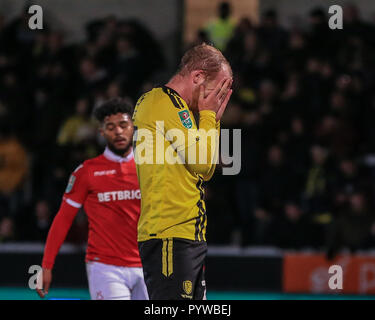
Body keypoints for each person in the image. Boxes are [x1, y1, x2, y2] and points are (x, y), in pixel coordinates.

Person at [132, 43, 233, 300]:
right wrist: (210, 117)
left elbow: (205, 170)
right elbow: (203, 164)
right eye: (215, 90)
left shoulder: (179, 109)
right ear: (197, 76)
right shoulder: (161, 102)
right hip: (169, 235)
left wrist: (214, 121)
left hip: (187, 236)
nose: (216, 99)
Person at [36, 98, 148, 300]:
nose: (119, 132)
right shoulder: (87, 172)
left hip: (149, 263)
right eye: (111, 127)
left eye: (123, 125)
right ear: (102, 133)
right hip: (105, 267)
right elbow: (63, 219)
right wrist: (46, 266)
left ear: (133, 128)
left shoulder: (149, 168)